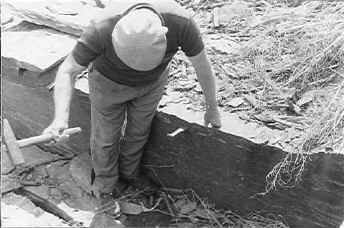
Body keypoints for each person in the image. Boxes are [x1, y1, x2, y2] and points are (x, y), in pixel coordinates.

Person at [43, 0, 221, 201]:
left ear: (164, 33)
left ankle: (129, 174)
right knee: (105, 138)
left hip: (153, 84)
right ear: (114, 36)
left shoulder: (181, 23)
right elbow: (68, 70)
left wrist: (212, 107)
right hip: (108, 85)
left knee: (139, 131)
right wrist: (60, 119)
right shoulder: (101, 28)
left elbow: (203, 66)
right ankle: (105, 183)